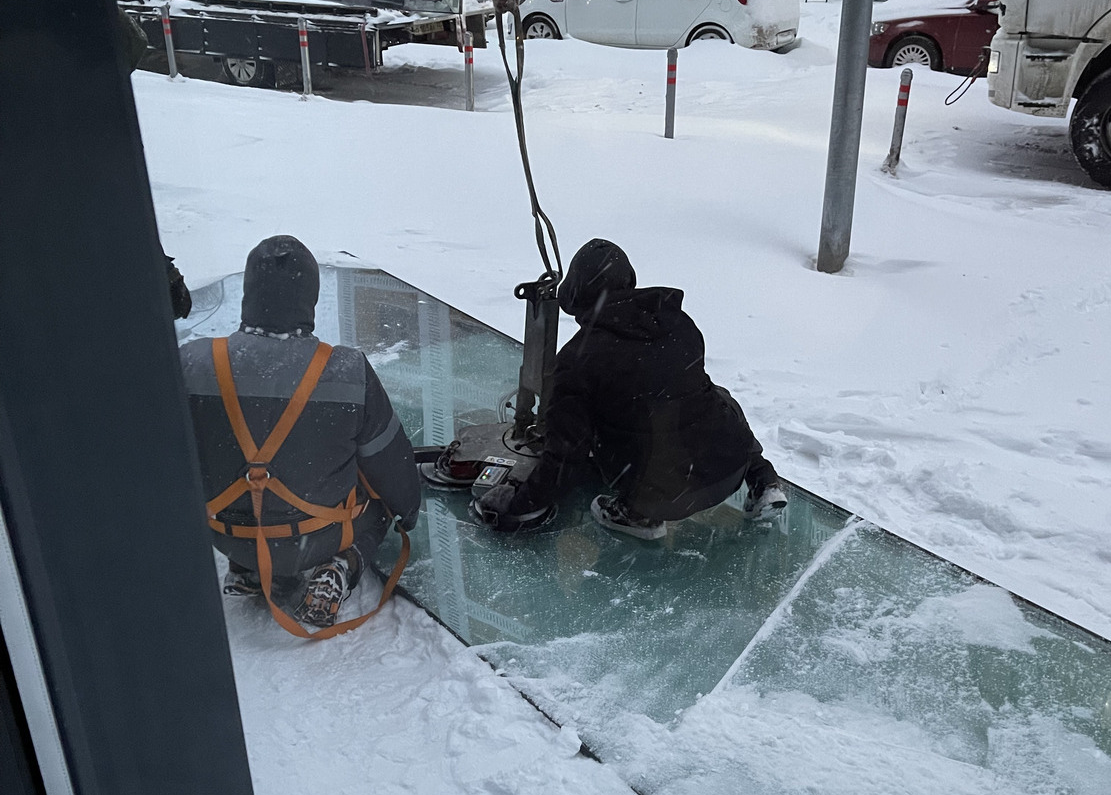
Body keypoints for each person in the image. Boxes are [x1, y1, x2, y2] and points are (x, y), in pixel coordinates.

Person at [179, 235, 420, 629]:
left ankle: (248, 568)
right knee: (378, 506)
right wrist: (406, 512)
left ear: (249, 293)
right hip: (318, 537)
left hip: (227, 534)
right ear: (310, 296)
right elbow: (390, 463)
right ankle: (343, 564)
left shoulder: (193, 362)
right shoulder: (347, 370)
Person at [477, 238, 787, 540]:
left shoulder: (578, 360)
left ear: (575, 291)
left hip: (662, 497)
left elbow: (566, 455)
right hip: (731, 465)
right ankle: (764, 478)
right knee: (714, 398)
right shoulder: (679, 324)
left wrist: (520, 505)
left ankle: (636, 516)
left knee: (621, 432)